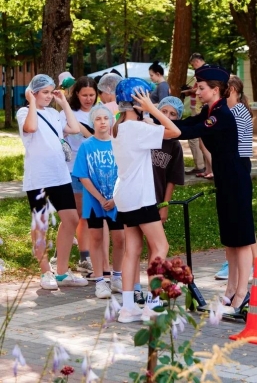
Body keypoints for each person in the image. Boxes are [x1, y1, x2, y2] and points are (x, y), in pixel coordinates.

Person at [172, 64, 255, 315]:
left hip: (237, 178)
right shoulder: (211, 109)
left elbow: (189, 131)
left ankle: (242, 294)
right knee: (230, 240)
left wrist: (153, 113)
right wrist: (152, 117)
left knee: (241, 240)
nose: (196, 90)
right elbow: (185, 125)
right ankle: (230, 291)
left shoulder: (221, 114)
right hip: (225, 178)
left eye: (201, 87)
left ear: (216, 89)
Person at [111, 78, 181, 323]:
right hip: (141, 195)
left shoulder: (118, 127)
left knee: (133, 250)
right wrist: (152, 109)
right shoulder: (137, 129)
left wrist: (147, 114)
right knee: (161, 247)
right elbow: (175, 132)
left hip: (125, 196)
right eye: (146, 98)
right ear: (137, 100)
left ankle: (128, 307)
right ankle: (152, 303)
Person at [17, 74, 88, 290]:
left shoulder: (54, 114)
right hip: (38, 178)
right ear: (34, 92)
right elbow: (30, 128)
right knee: (40, 224)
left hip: (60, 175)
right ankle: (45, 271)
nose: (48, 96)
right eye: (44, 92)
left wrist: (64, 102)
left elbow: (75, 129)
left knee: (71, 219)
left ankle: (62, 273)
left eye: (50, 92)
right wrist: (31, 102)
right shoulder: (24, 112)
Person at [132, 96, 185, 306]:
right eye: (165, 111)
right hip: (137, 198)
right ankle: (135, 290)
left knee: (155, 247)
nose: (168, 116)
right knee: (134, 247)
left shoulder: (174, 145)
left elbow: (173, 178)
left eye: (173, 115)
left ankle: (153, 291)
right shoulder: (145, 133)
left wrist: (165, 205)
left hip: (155, 201)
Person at [72, 104, 125, 298]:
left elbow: (125, 172)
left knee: (120, 238)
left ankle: (117, 276)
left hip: (117, 200)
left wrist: (114, 198)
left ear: (111, 120)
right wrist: (101, 198)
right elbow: (83, 176)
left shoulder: (118, 144)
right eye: (98, 119)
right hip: (94, 200)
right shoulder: (87, 145)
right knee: (95, 238)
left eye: (105, 118)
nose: (102, 122)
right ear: (92, 122)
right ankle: (100, 280)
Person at [213, 75, 257, 280]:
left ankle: (249, 263)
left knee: (241, 218)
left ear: (231, 90)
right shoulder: (233, 111)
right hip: (233, 164)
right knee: (239, 218)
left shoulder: (237, 112)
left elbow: (230, 142)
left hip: (238, 164)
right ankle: (248, 262)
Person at [57, 77, 99, 276]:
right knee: (76, 215)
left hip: (94, 171)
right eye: (85, 95)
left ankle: (85, 257)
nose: (89, 99)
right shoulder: (67, 113)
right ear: (76, 94)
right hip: (72, 169)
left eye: (92, 95)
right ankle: (62, 254)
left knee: (87, 217)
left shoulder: (99, 114)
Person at [183, 53, 212, 178]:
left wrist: (188, 91)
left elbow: (200, 89)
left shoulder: (205, 72)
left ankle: (209, 168)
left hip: (202, 109)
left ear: (199, 61)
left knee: (203, 142)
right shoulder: (202, 73)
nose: (194, 67)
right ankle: (207, 169)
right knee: (202, 142)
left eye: (195, 64)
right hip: (200, 108)